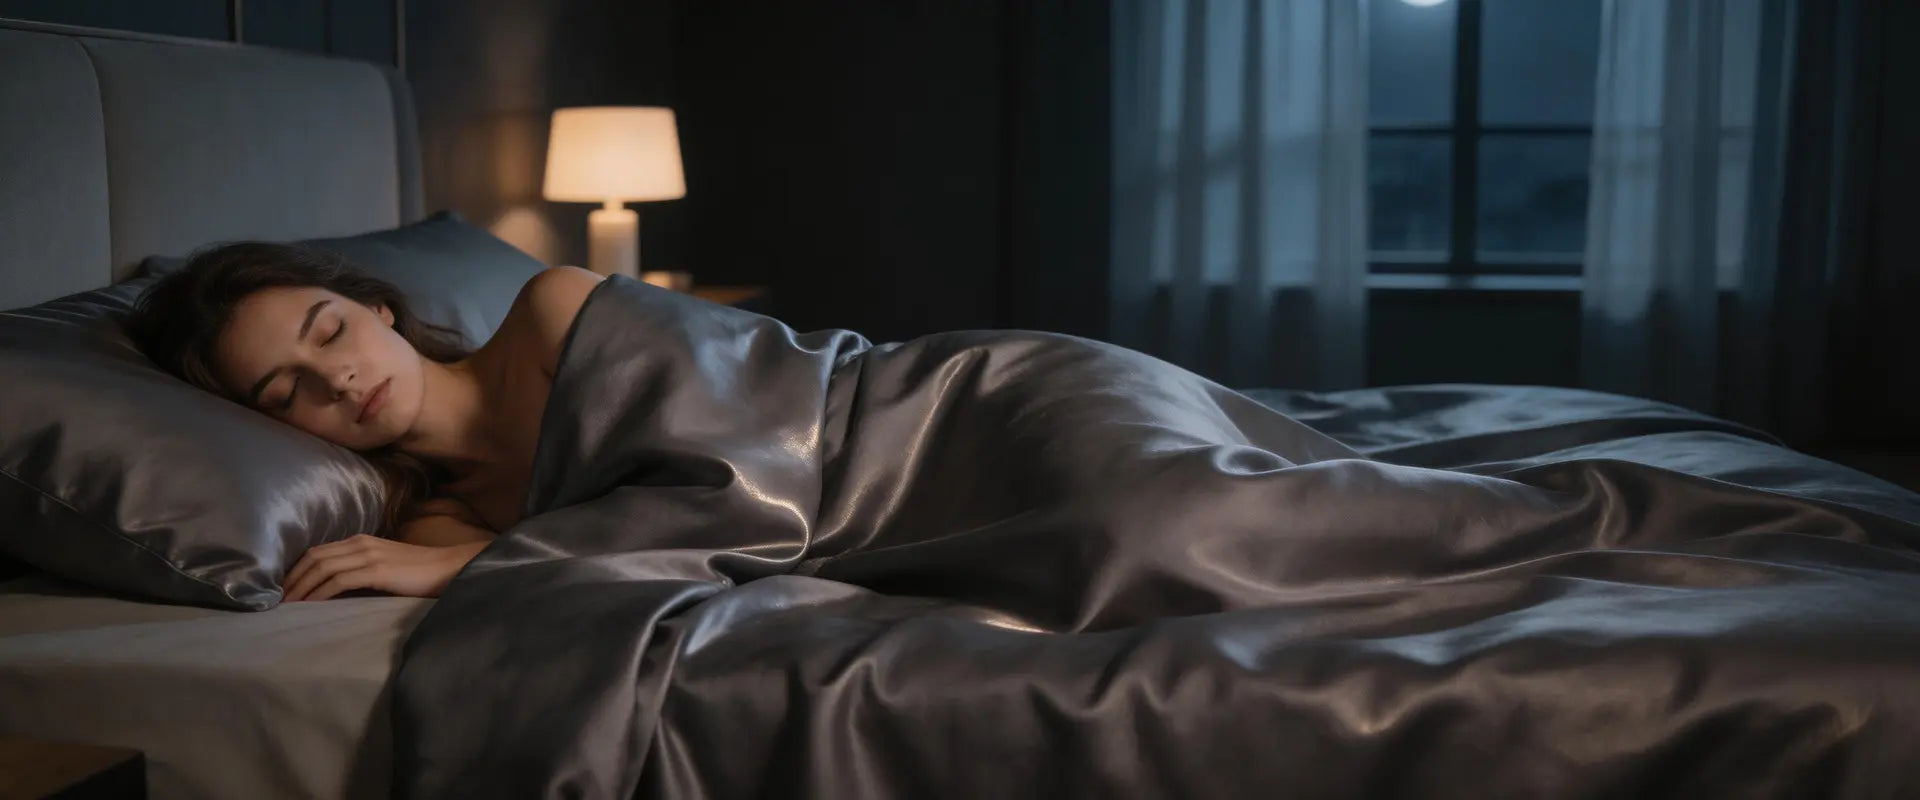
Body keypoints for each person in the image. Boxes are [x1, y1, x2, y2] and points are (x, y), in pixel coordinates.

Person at [130, 242, 606, 602]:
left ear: (379, 307)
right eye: (288, 392)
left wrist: (450, 564)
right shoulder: (430, 522)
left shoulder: (554, 309)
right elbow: (590, 584)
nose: (337, 379)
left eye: (331, 332)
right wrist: (447, 562)